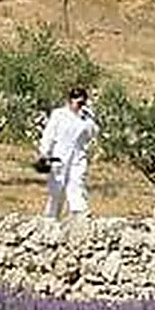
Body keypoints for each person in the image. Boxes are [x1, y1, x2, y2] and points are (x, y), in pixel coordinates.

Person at [36, 86, 98, 220]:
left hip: (78, 156)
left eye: (82, 103)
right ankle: (50, 218)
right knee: (57, 190)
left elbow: (93, 134)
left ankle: (80, 212)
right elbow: (49, 135)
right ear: (70, 100)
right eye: (78, 102)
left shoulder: (87, 119)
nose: (80, 106)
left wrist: (89, 117)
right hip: (59, 156)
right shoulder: (59, 115)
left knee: (77, 182)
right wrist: (44, 153)